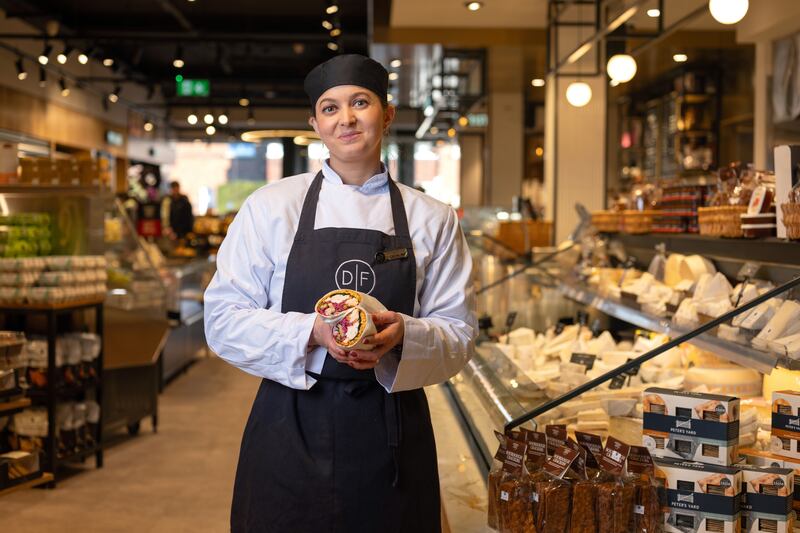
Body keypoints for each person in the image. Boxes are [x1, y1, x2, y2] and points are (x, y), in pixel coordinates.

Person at [204, 54, 476, 533]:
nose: (345, 118)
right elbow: (222, 319)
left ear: (387, 114)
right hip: (289, 425)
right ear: (315, 124)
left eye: (360, 102)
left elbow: (459, 333)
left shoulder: (431, 217)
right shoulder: (271, 207)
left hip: (391, 431)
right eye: (329, 108)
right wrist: (310, 330)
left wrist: (403, 336)